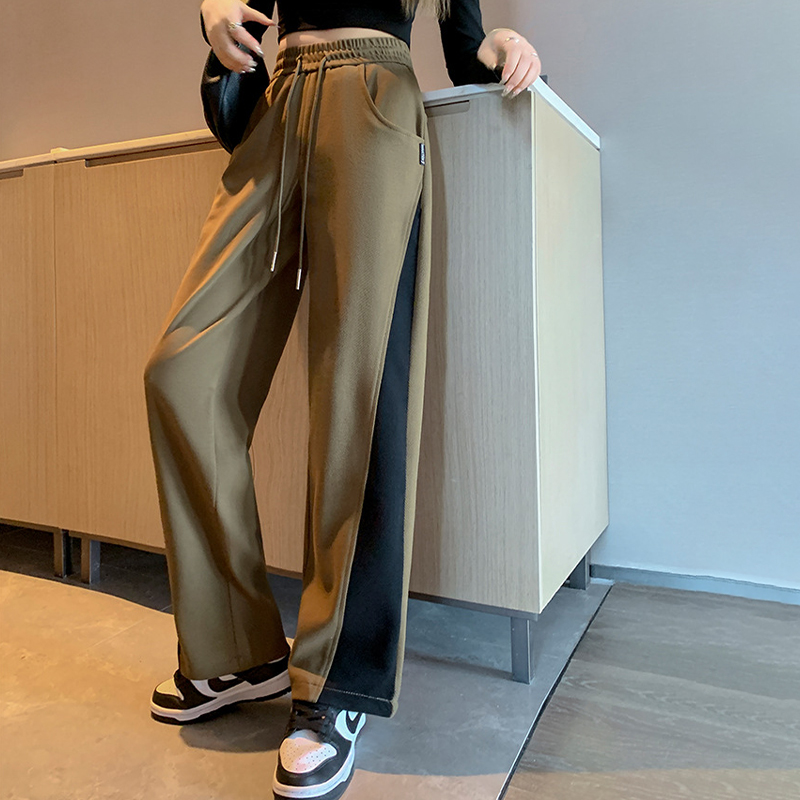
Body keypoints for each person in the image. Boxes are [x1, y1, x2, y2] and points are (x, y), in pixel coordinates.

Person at [142, 1, 539, 798]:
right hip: (281, 101)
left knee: (357, 392)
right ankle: (236, 651)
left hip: (374, 98)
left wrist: (497, 41)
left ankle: (335, 684)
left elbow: (463, 39)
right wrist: (211, 13)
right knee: (181, 373)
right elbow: (242, 20)